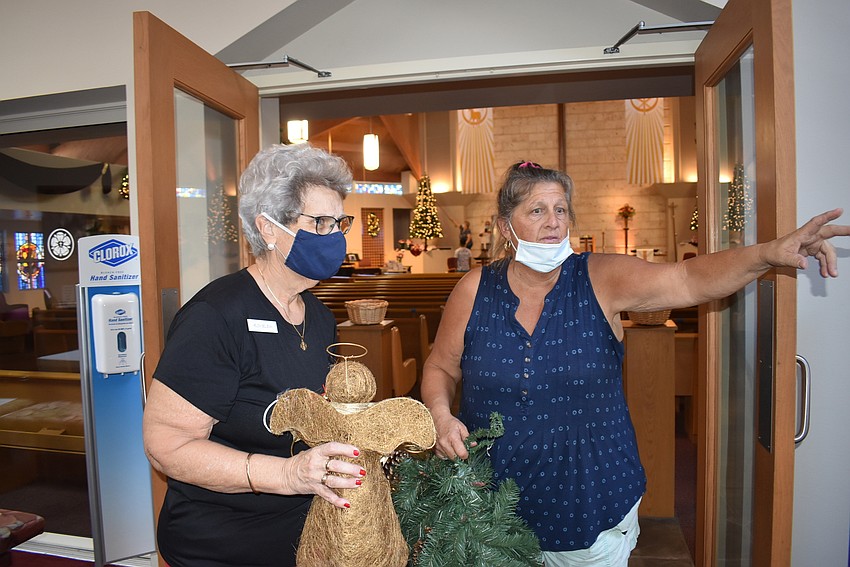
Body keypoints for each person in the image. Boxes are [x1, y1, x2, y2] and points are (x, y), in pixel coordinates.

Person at [421, 159, 850, 566]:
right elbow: (440, 366)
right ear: (504, 226)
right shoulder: (475, 289)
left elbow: (688, 279)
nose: (553, 222)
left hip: (589, 500)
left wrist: (769, 253)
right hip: (488, 504)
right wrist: (441, 416)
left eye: (561, 210)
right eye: (536, 210)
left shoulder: (600, 278)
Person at [143, 143, 366, 567]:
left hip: (302, 531)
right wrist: (286, 474)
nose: (335, 236)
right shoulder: (215, 315)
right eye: (319, 222)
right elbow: (166, 446)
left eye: (340, 222)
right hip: (222, 540)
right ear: (268, 229)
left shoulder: (319, 316)